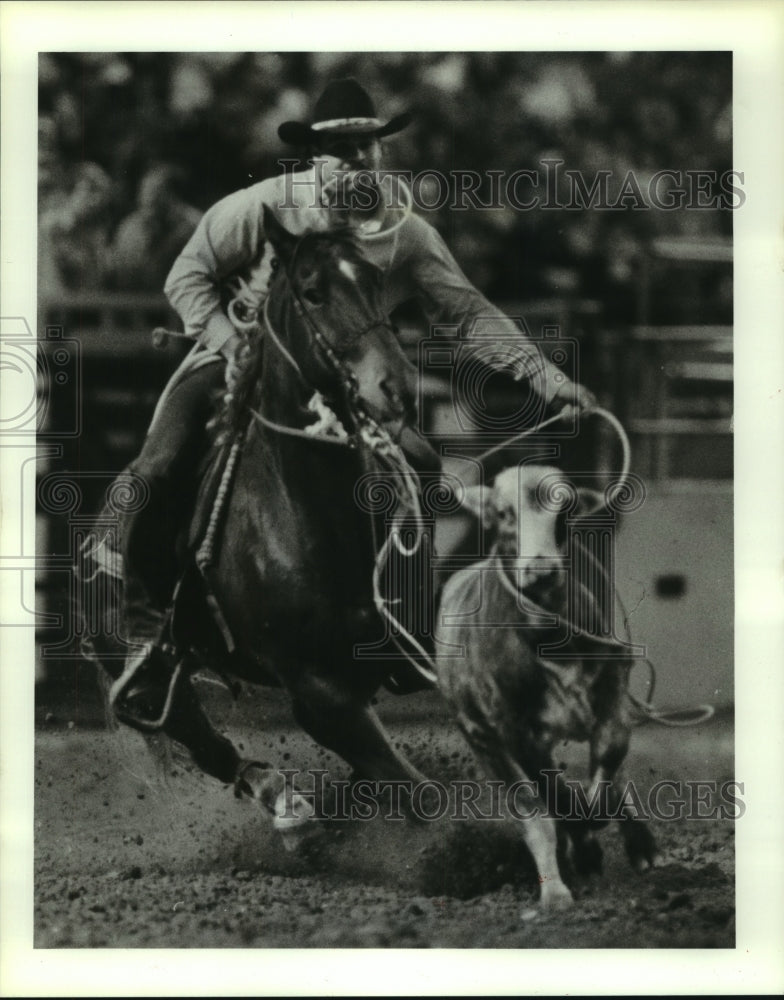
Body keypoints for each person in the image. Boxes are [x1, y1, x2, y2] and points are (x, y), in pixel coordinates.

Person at [115, 78, 595, 727]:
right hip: (236, 363)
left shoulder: (404, 233)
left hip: (346, 384)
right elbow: (186, 276)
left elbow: (468, 313)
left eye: (367, 147)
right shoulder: (261, 209)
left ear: (381, 153)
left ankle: (401, 626)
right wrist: (233, 348)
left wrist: (546, 379)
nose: (358, 161)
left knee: (421, 466)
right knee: (156, 470)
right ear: (315, 157)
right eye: (342, 150)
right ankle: (151, 637)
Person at [110, 165, 202, 291]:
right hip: (140, 301)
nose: (148, 198)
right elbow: (130, 275)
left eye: (156, 193)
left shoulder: (194, 225)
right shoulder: (131, 228)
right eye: (144, 192)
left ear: (171, 196)